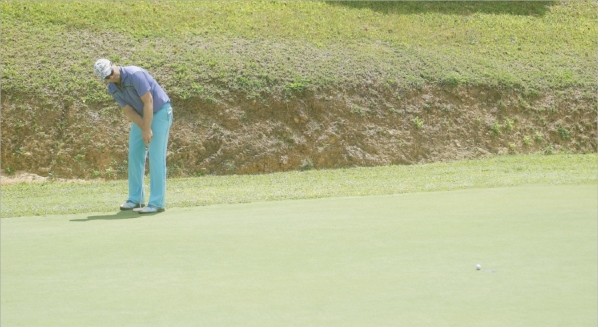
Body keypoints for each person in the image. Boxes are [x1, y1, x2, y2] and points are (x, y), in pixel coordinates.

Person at [94, 59, 173, 214]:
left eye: (110, 72)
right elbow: (129, 110)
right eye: (106, 77)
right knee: (135, 154)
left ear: (113, 64)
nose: (111, 77)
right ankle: (135, 198)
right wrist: (143, 127)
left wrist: (147, 128)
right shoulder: (112, 88)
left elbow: (148, 100)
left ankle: (157, 203)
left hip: (160, 111)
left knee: (156, 156)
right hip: (142, 116)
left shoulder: (135, 74)